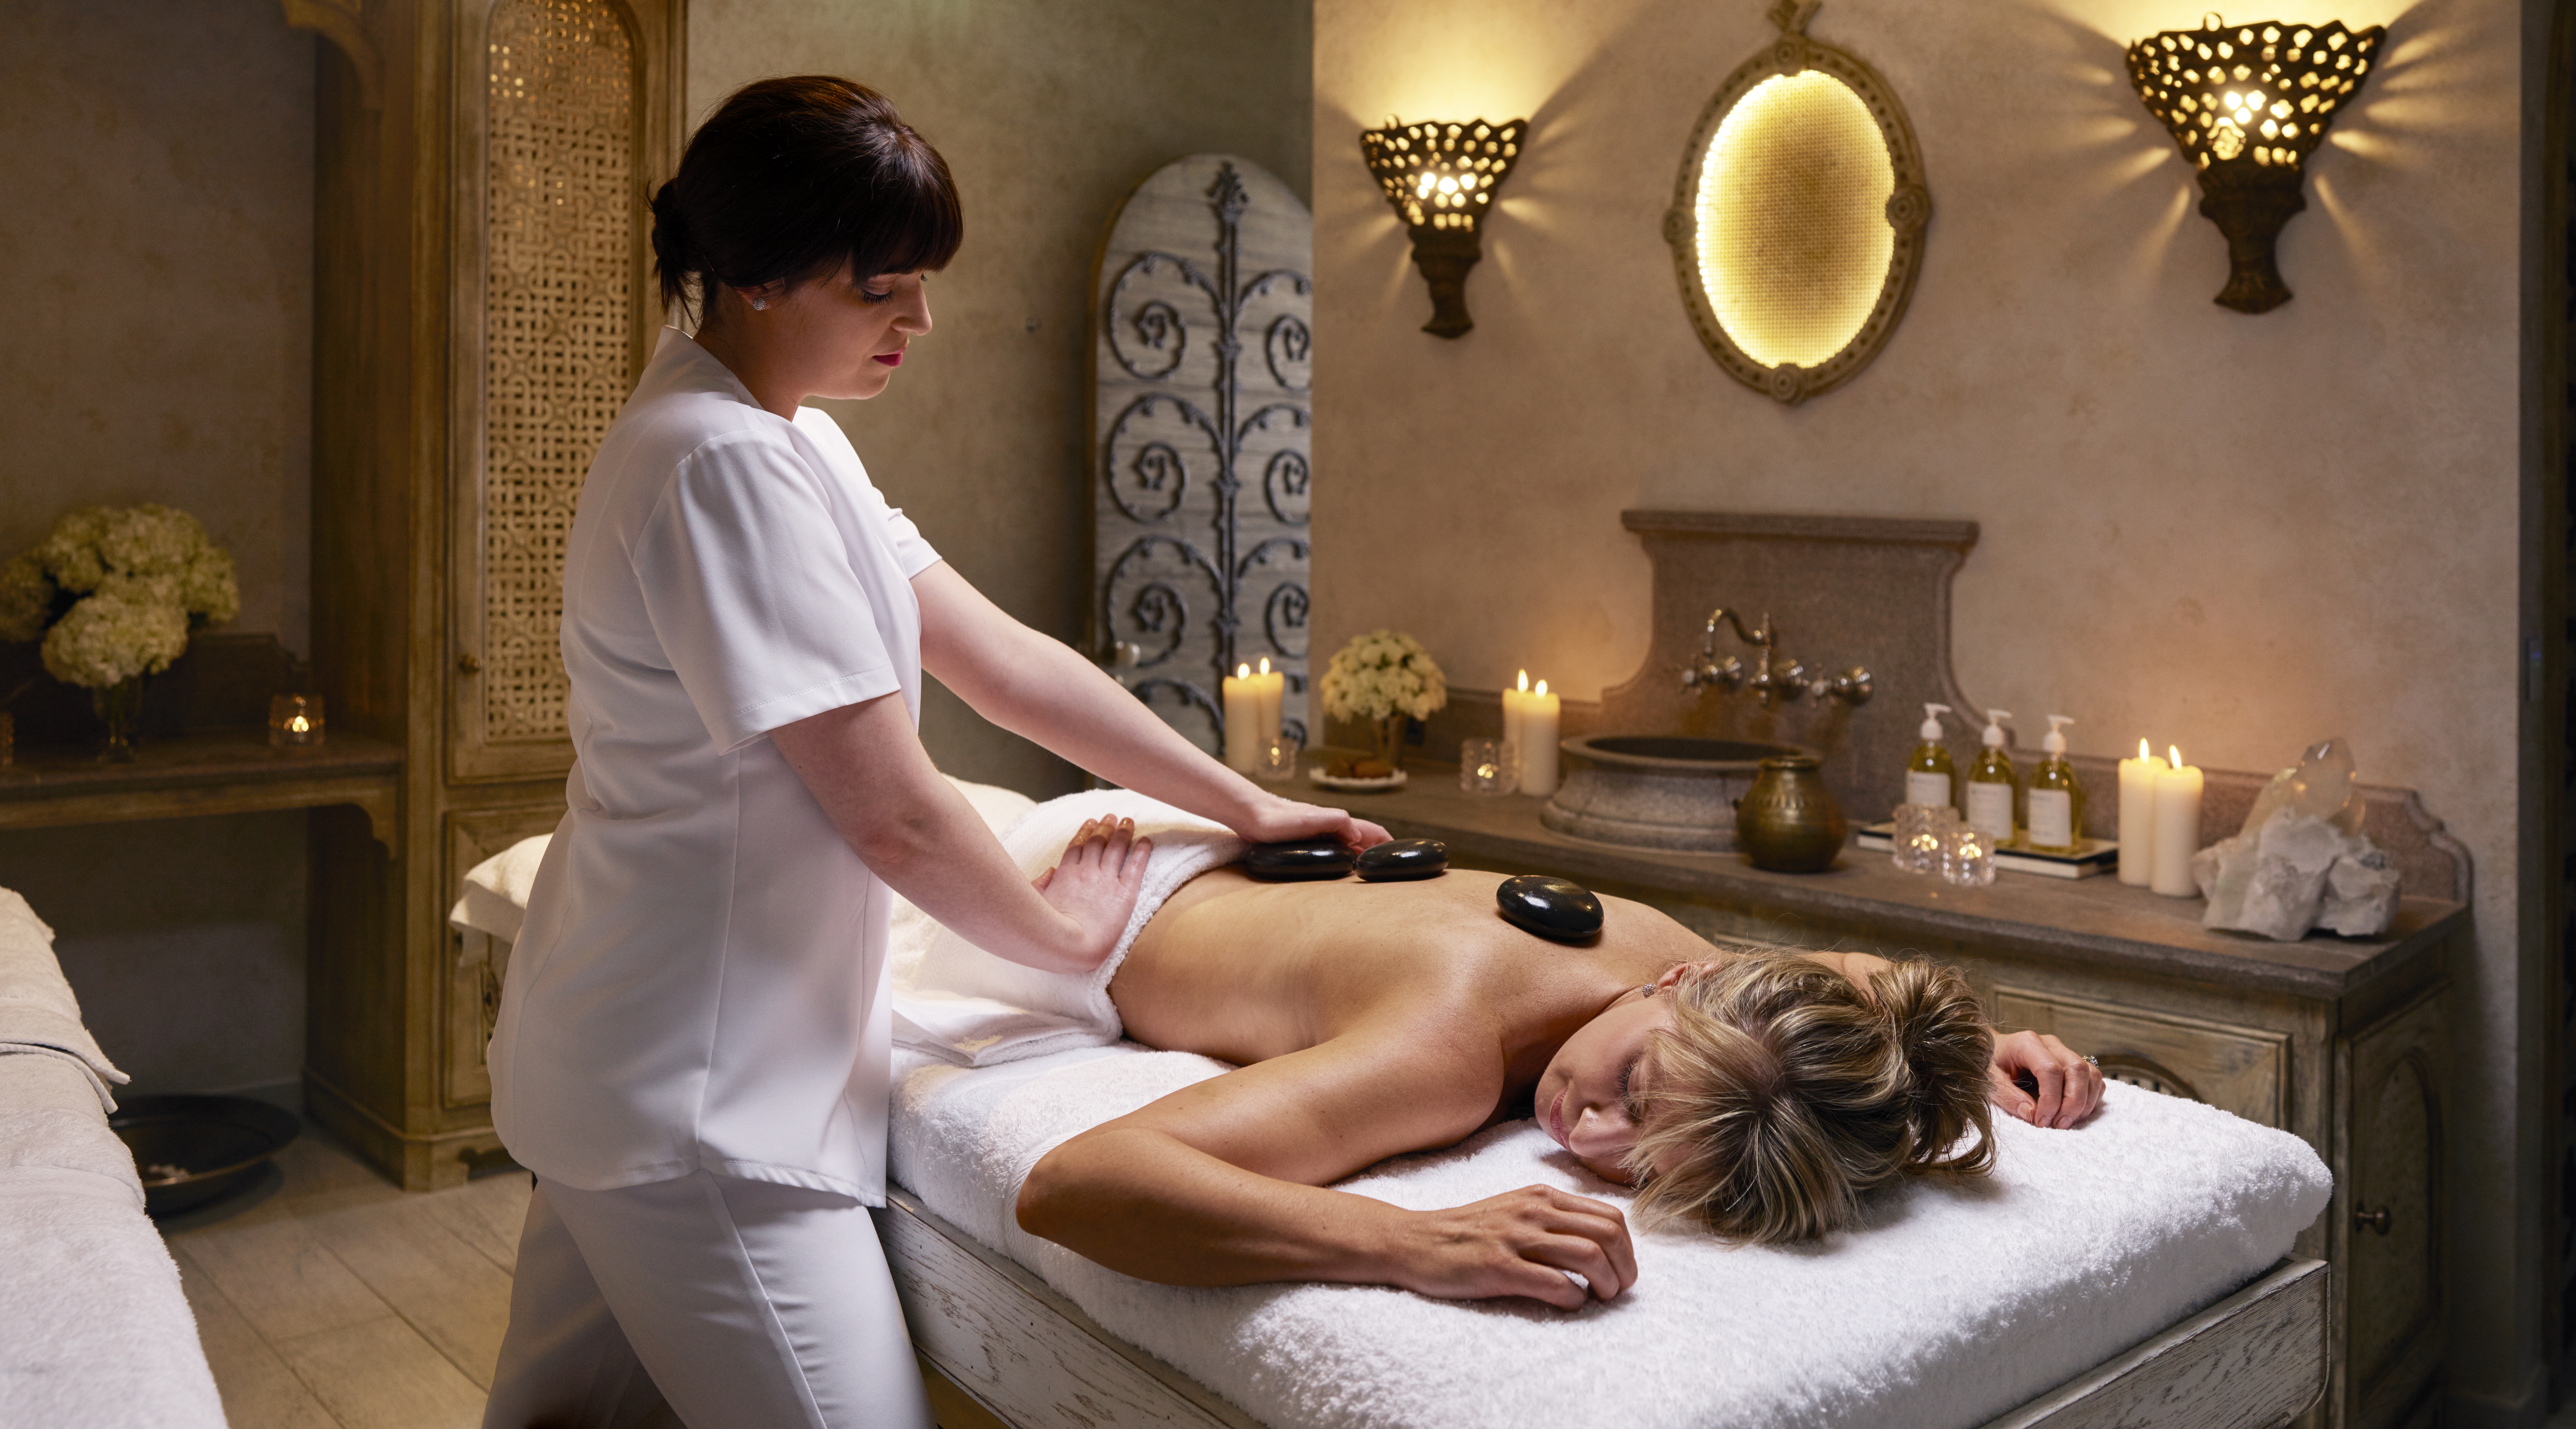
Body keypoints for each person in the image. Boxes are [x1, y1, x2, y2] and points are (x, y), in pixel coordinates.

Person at [479, 78, 1385, 1429]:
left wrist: (1236, 796)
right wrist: (1054, 934)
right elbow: (891, 808)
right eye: (884, 288)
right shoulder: (713, 463)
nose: (922, 320)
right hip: (693, 1097)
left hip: (622, 1049)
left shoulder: (796, 442)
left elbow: (1005, 660)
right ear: (758, 275)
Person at [1013, 827, 2104, 1310]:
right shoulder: (1442, 1052)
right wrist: (1410, 1241)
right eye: (1630, 1090)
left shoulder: (1707, 998)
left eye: (1646, 1158)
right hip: (1081, 890)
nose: (1587, 1135)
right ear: (1672, 980)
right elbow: (1075, 1182)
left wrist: (1964, 1052)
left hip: (1229, 854)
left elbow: (1852, 980)